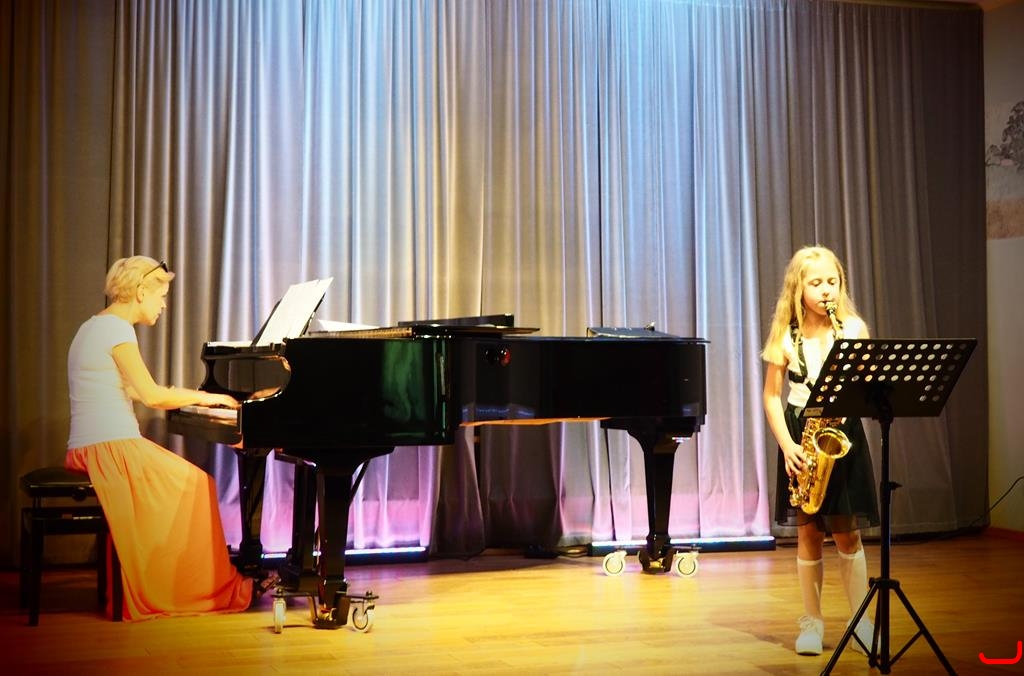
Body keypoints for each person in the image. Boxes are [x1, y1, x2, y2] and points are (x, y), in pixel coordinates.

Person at [65, 255, 275, 621]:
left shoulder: (93, 326)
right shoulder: (117, 330)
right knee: (199, 485)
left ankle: (179, 580)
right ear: (141, 291)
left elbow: (131, 390)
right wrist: (207, 398)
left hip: (93, 446)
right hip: (110, 448)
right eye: (160, 296)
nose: (163, 305)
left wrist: (188, 397)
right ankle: (203, 589)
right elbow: (152, 397)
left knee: (189, 487)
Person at [761, 246, 880, 656]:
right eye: (816, 283)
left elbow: (869, 386)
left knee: (847, 532)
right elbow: (771, 397)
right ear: (798, 288)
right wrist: (787, 445)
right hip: (801, 435)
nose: (826, 290)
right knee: (809, 533)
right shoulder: (786, 334)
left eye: (833, 281)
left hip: (841, 432)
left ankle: (861, 621)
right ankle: (811, 622)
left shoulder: (853, 328)